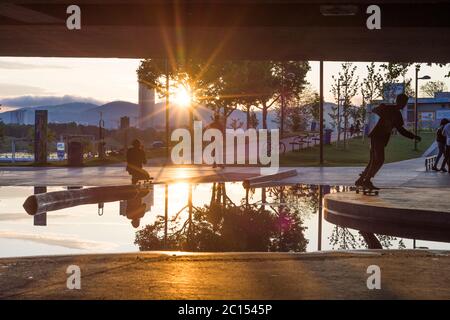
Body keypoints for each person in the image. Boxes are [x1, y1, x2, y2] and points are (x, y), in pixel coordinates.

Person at [355, 94, 421, 190]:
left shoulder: (398, 115)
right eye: (404, 103)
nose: (405, 105)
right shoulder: (388, 108)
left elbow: (401, 130)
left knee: (373, 160)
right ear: (400, 102)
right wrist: (381, 107)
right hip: (377, 137)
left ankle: (361, 180)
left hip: (380, 138)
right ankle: (367, 180)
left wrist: (413, 136)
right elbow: (374, 110)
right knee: (379, 160)